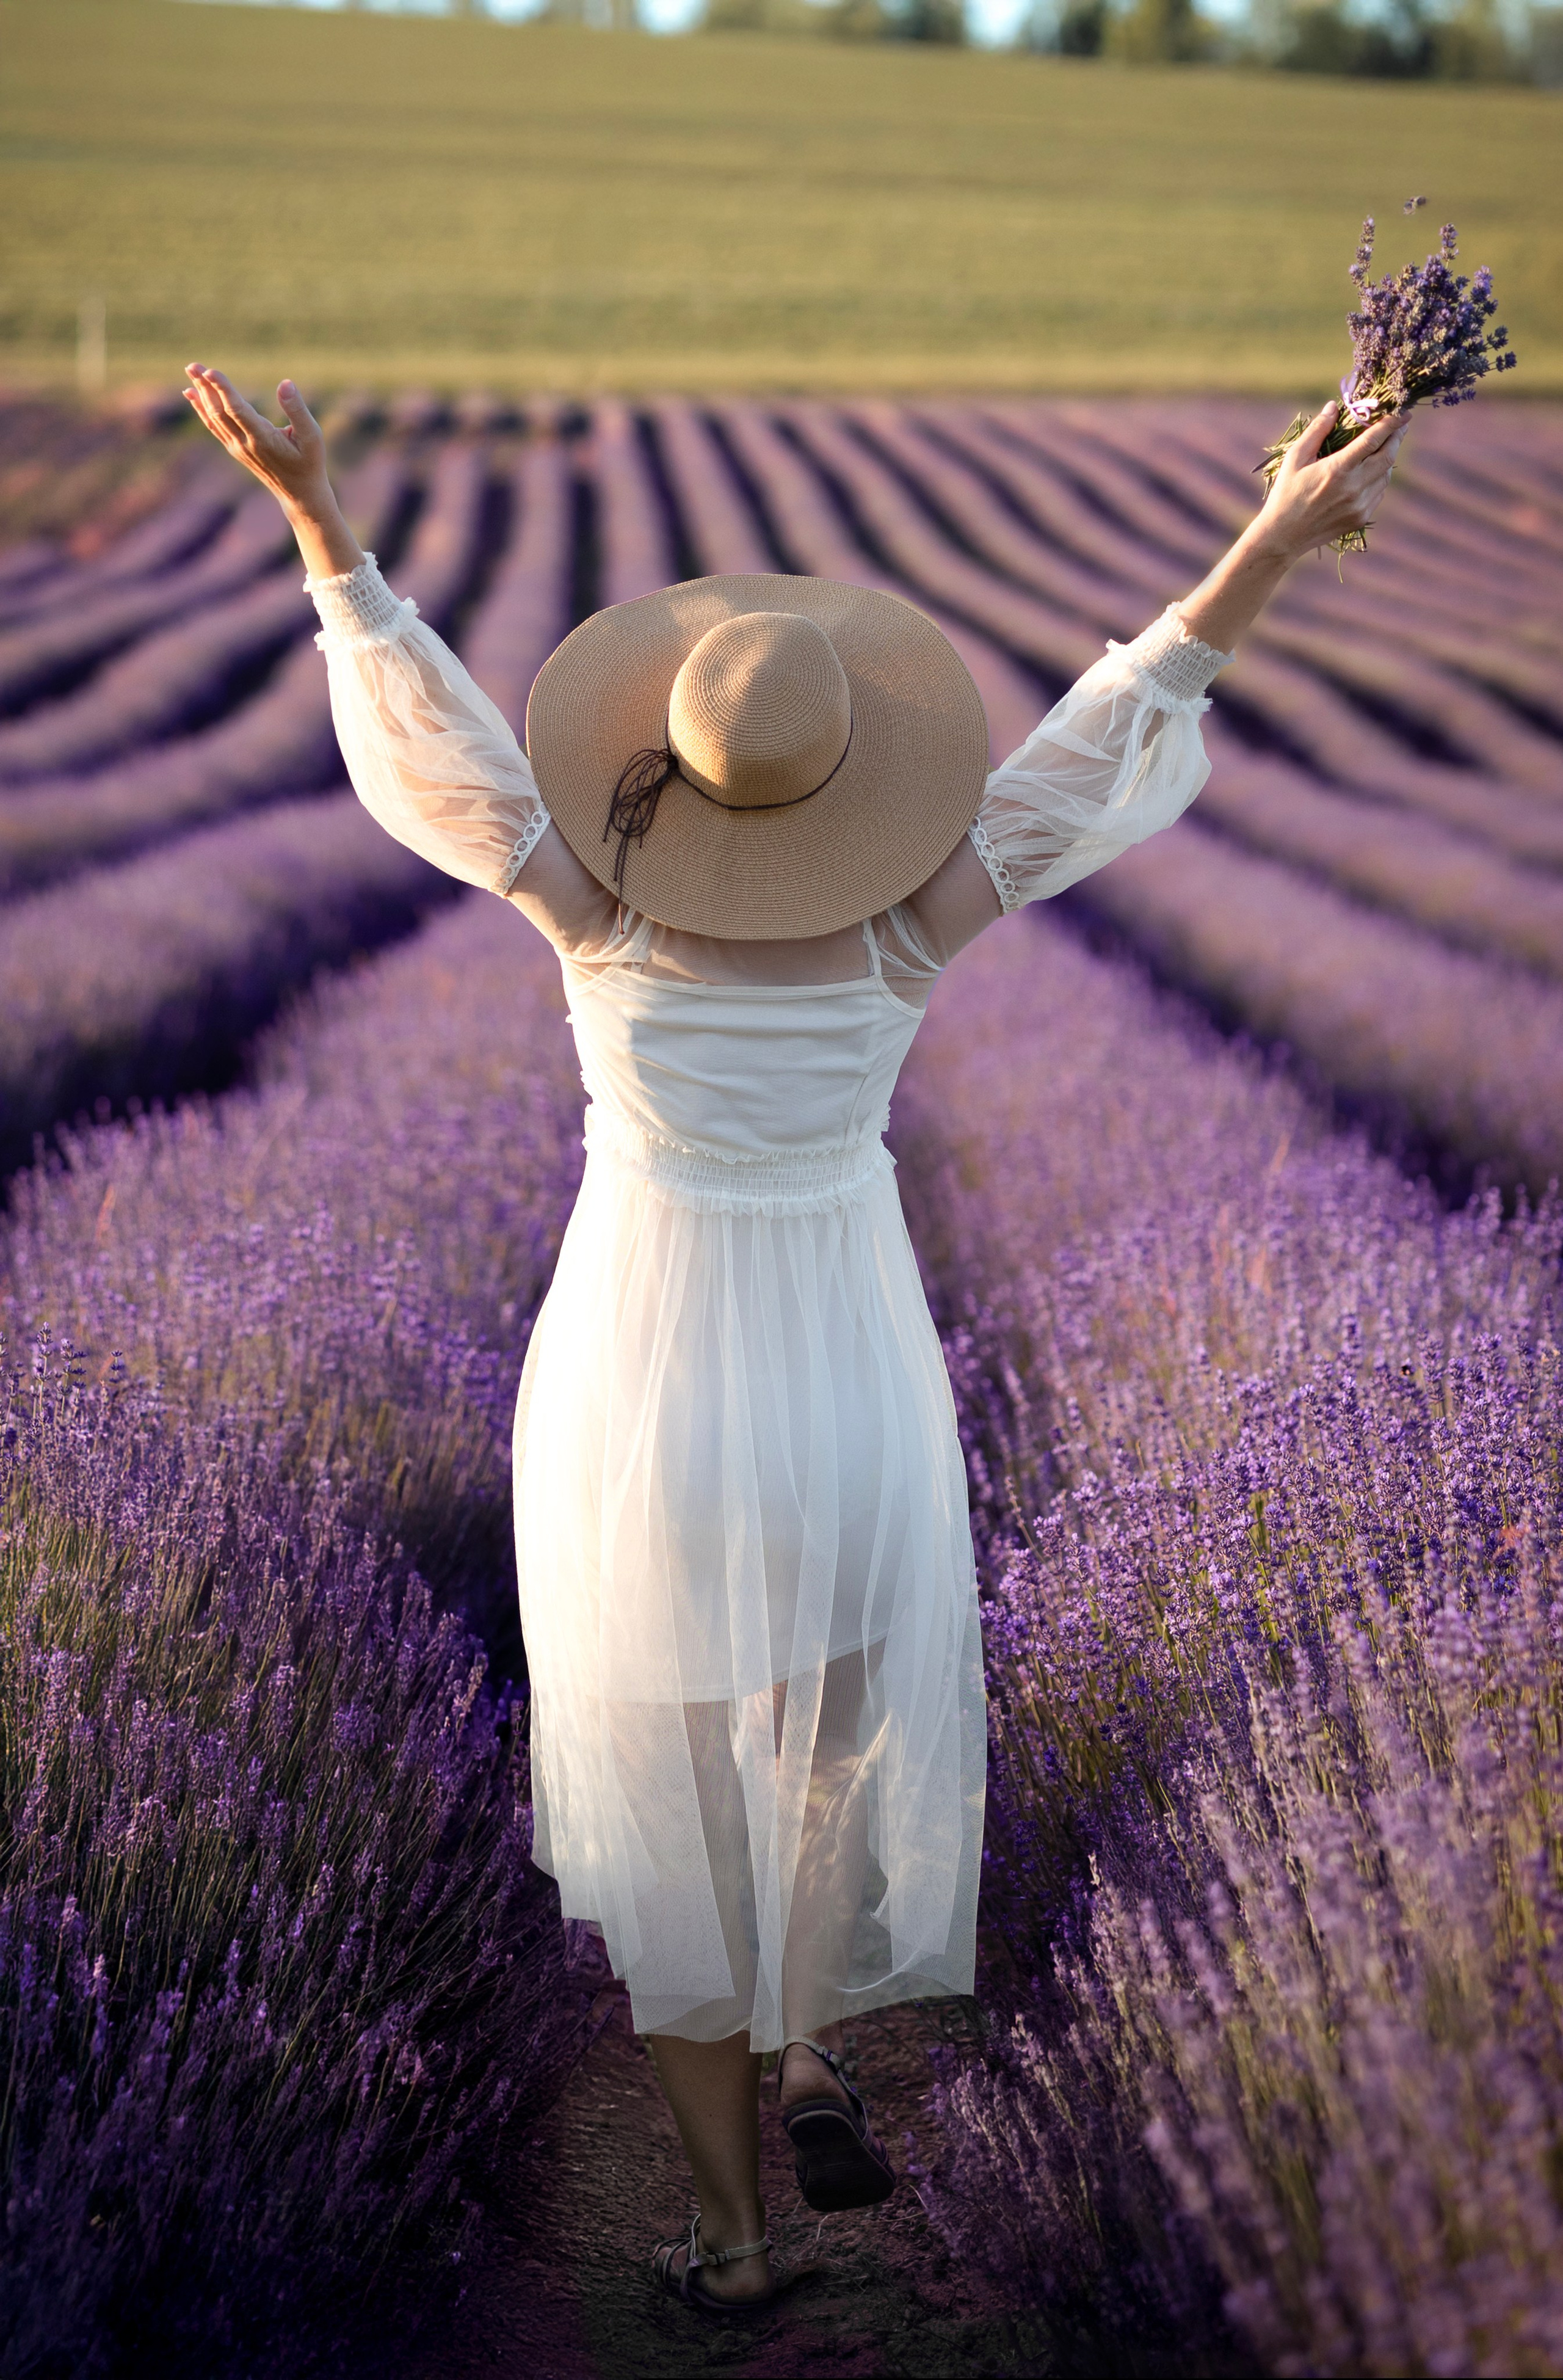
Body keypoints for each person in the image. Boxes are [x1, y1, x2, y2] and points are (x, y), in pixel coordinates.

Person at [183, 365, 1405, 2315]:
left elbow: (434, 753)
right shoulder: (909, 922)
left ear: (668, 765)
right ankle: (824, 2041)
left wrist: (323, 523)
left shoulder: (594, 914)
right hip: (845, 1367)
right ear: (859, 780)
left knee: (667, 1780)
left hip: (636, 1385)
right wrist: (1269, 534)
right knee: (834, 1727)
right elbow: (1111, 732)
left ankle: (737, 2230)